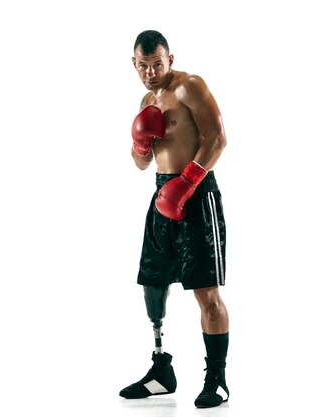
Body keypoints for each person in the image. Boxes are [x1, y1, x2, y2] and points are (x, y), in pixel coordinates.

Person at [118, 30, 230, 409]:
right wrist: (138, 144)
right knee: (152, 285)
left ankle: (216, 379)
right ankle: (161, 373)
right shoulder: (147, 100)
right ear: (134, 64)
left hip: (195, 192)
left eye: (157, 64)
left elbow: (217, 137)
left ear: (170, 59)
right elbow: (142, 163)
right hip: (162, 195)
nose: (150, 73)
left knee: (205, 291)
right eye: (143, 66)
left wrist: (189, 181)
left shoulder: (189, 86)